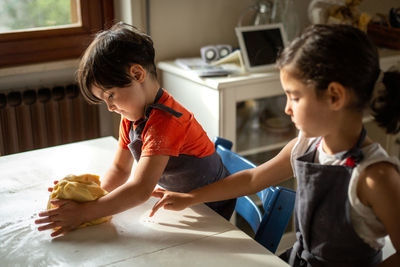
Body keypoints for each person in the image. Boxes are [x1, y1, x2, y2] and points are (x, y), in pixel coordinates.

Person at [149, 24, 400, 266]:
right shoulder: (304, 146)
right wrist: (190, 197)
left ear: (334, 96)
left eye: (295, 97)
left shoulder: (376, 177)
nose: (287, 108)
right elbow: (252, 179)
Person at [34, 22, 236, 237]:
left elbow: (140, 189)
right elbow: (120, 170)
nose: (110, 107)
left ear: (137, 74)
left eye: (110, 95)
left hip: (210, 206)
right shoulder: (131, 117)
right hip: (181, 200)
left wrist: (85, 213)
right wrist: (88, 196)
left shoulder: (166, 122)